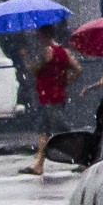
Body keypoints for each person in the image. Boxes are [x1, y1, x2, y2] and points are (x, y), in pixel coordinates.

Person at [23, 25, 80, 176]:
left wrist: (26, 59)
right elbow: (78, 69)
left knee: (62, 129)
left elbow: (35, 71)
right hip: (56, 94)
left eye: (39, 36)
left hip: (47, 96)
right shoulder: (64, 51)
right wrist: (64, 82)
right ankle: (39, 164)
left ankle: (83, 157)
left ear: (43, 36)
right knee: (44, 130)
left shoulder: (47, 52)